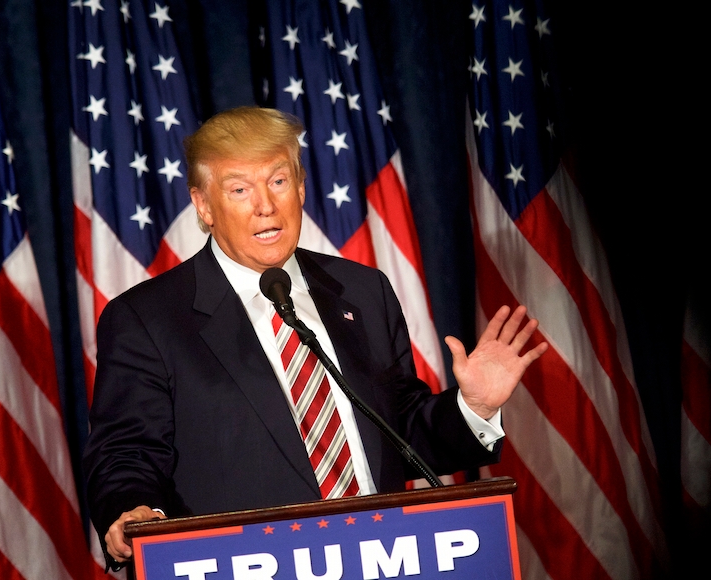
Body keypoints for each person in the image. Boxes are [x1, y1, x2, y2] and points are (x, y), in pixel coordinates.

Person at [83, 106, 548, 569]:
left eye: (279, 181)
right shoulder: (146, 319)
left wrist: (475, 408)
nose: (265, 205)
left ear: (301, 186)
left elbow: (398, 433)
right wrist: (135, 513)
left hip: (382, 558)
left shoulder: (363, 291)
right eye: (240, 189)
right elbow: (127, 452)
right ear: (204, 205)